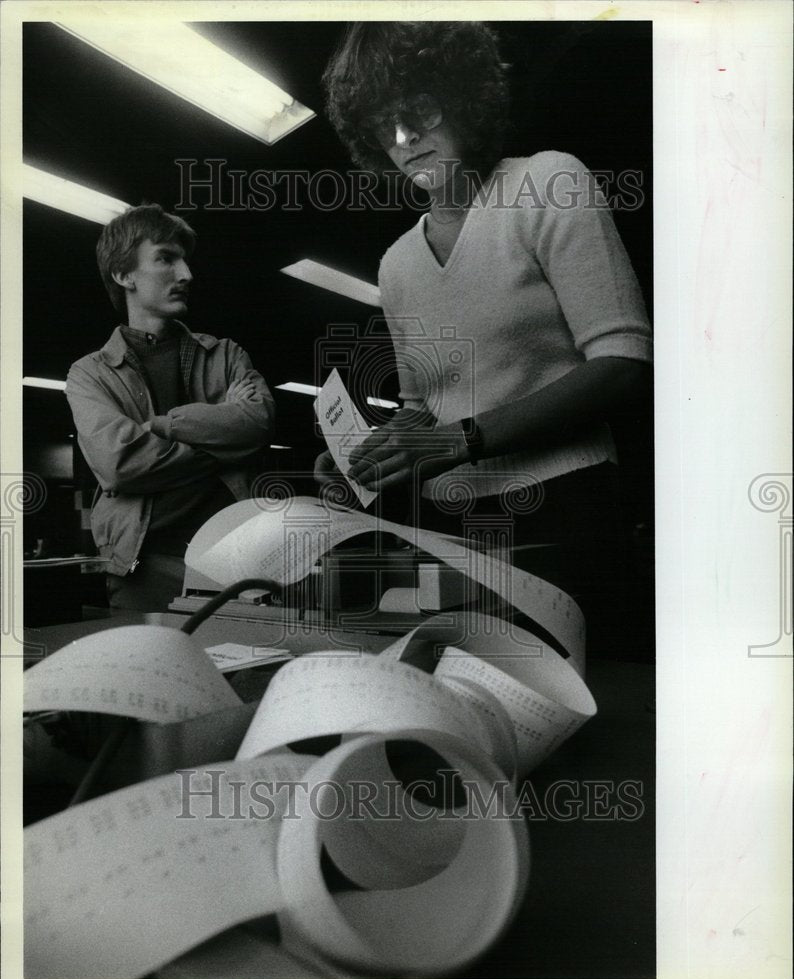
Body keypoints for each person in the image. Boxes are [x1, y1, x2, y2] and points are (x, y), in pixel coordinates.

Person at [318, 22, 653, 642]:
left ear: (462, 94)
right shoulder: (396, 264)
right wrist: (365, 459)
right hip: (453, 526)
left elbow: (623, 364)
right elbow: (420, 412)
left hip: (568, 511)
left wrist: (461, 440)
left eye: (418, 108)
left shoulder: (547, 182)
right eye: (381, 125)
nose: (403, 139)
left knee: (586, 709)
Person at [66, 204, 275, 611]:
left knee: (236, 672)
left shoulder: (225, 354)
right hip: (144, 567)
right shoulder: (90, 373)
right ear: (124, 275)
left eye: (185, 260)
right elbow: (119, 464)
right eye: (165, 258)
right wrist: (221, 446)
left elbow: (258, 423)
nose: (186, 275)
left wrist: (164, 425)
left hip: (233, 561)